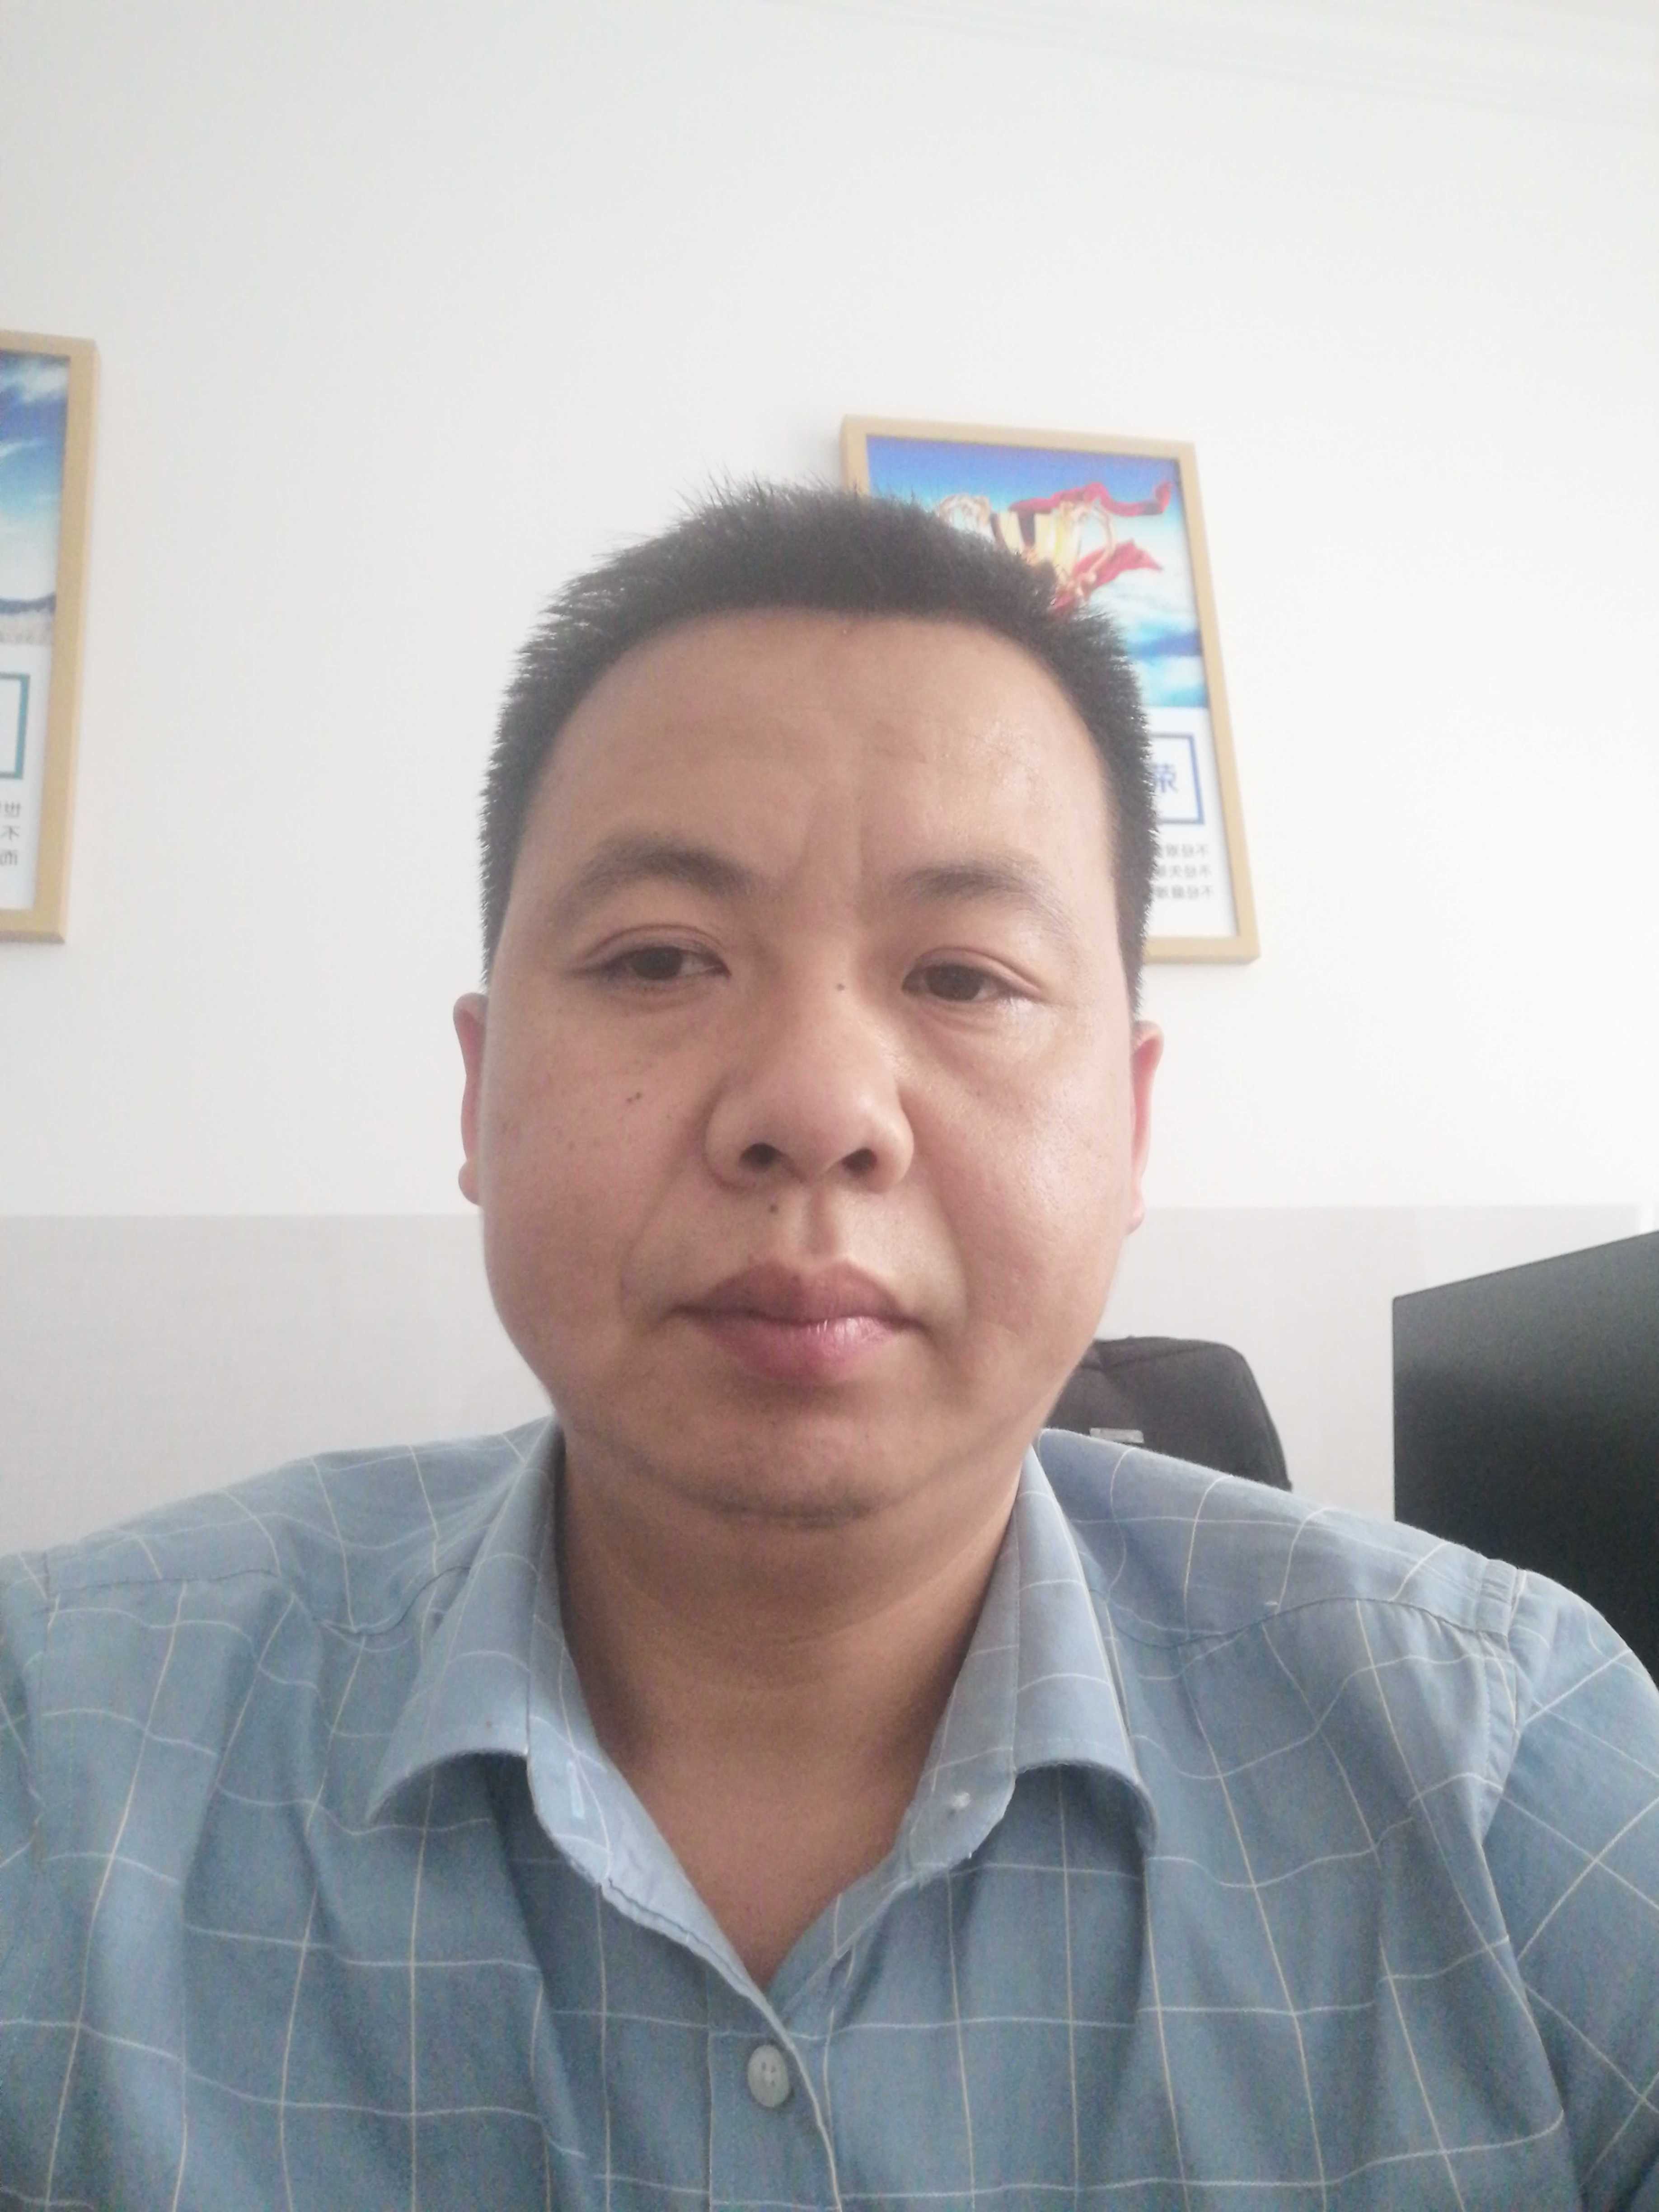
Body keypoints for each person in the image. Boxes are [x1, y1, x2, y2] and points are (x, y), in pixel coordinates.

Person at [2, 486, 1656, 2212]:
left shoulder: (1508, 1777)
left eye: (966, 978)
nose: (814, 1104)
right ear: (480, 1097)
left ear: (1133, 1126)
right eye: (661, 958)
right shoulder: (58, 1747)